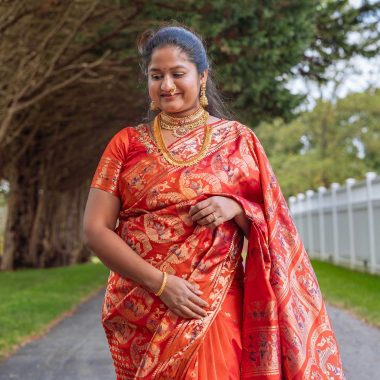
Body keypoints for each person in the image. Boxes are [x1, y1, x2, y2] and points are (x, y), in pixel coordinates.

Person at [83, 25, 345, 380]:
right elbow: (95, 230)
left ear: (202, 77)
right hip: (142, 307)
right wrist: (161, 283)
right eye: (155, 75)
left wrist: (236, 206)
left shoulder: (239, 141)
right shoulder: (126, 144)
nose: (167, 85)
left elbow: (277, 227)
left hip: (212, 305)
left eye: (178, 74)